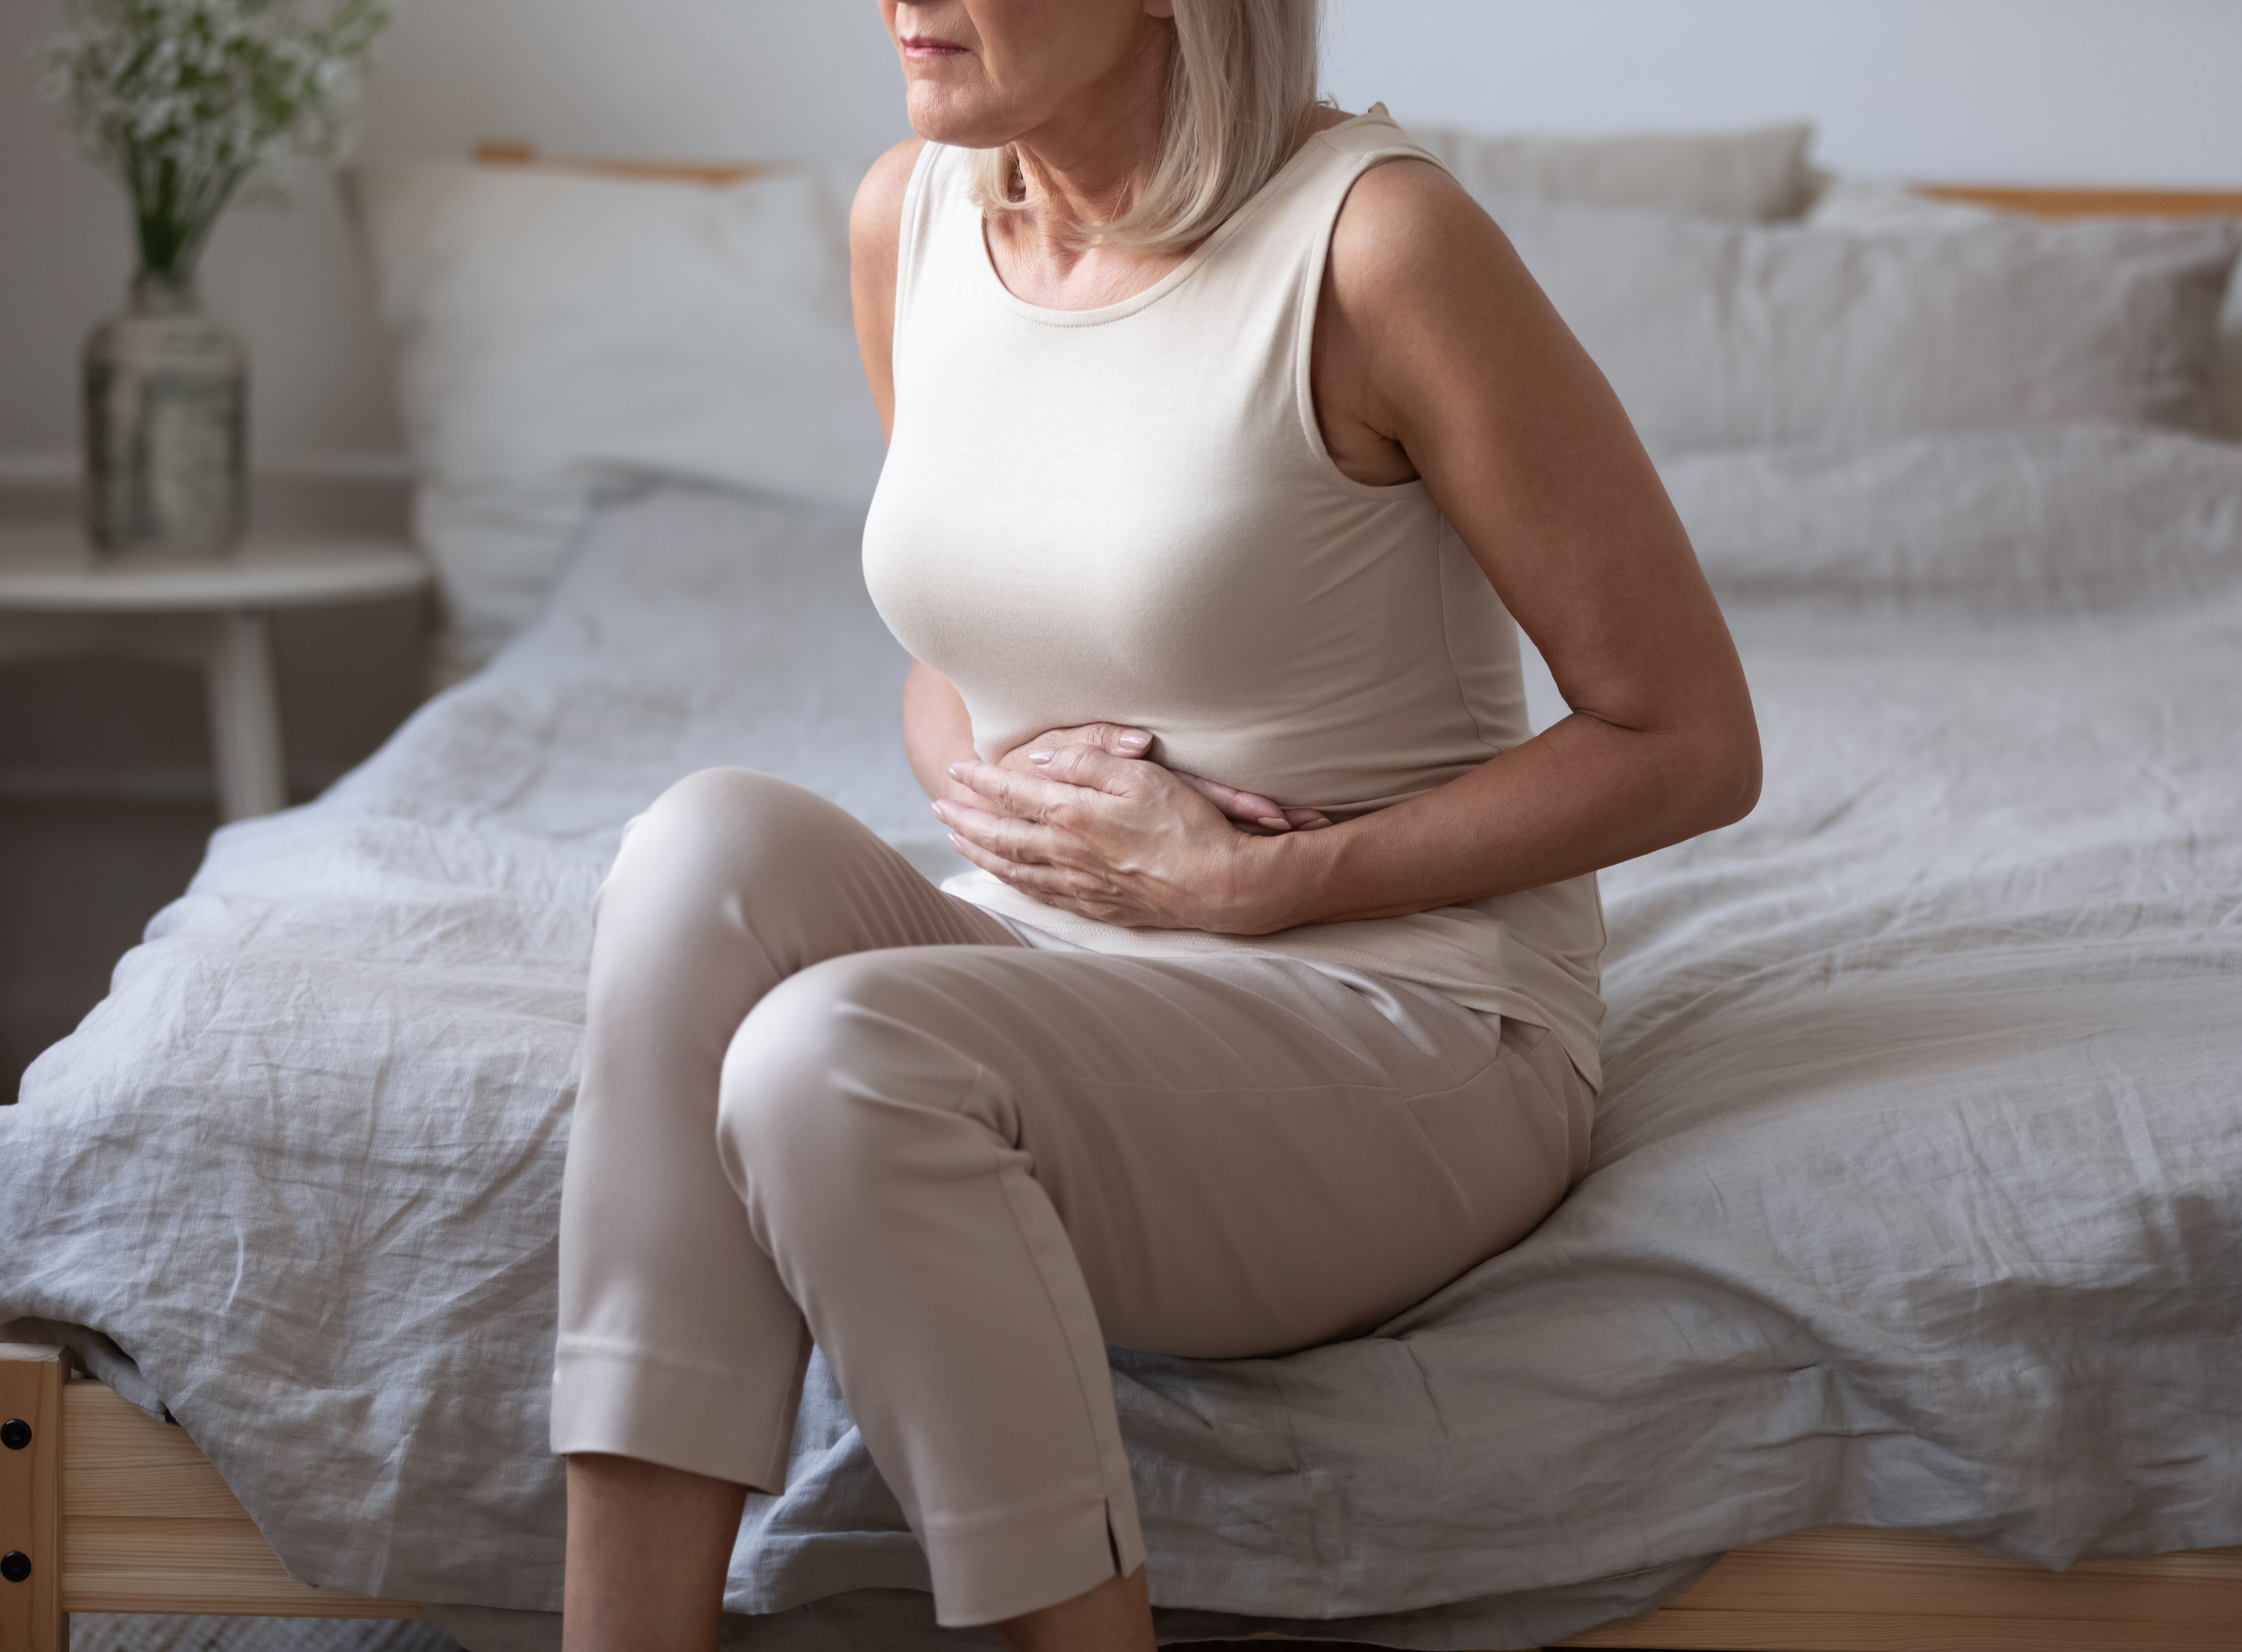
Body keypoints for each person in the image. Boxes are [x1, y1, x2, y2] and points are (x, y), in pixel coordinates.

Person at [555, 3, 1760, 1649]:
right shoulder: (910, 212)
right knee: (694, 853)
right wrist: (1004, 792)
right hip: (1065, 957)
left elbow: (1687, 737)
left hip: (1402, 1011)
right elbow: (958, 646)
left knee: (827, 1055)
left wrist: (1273, 877)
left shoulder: (1372, 243)